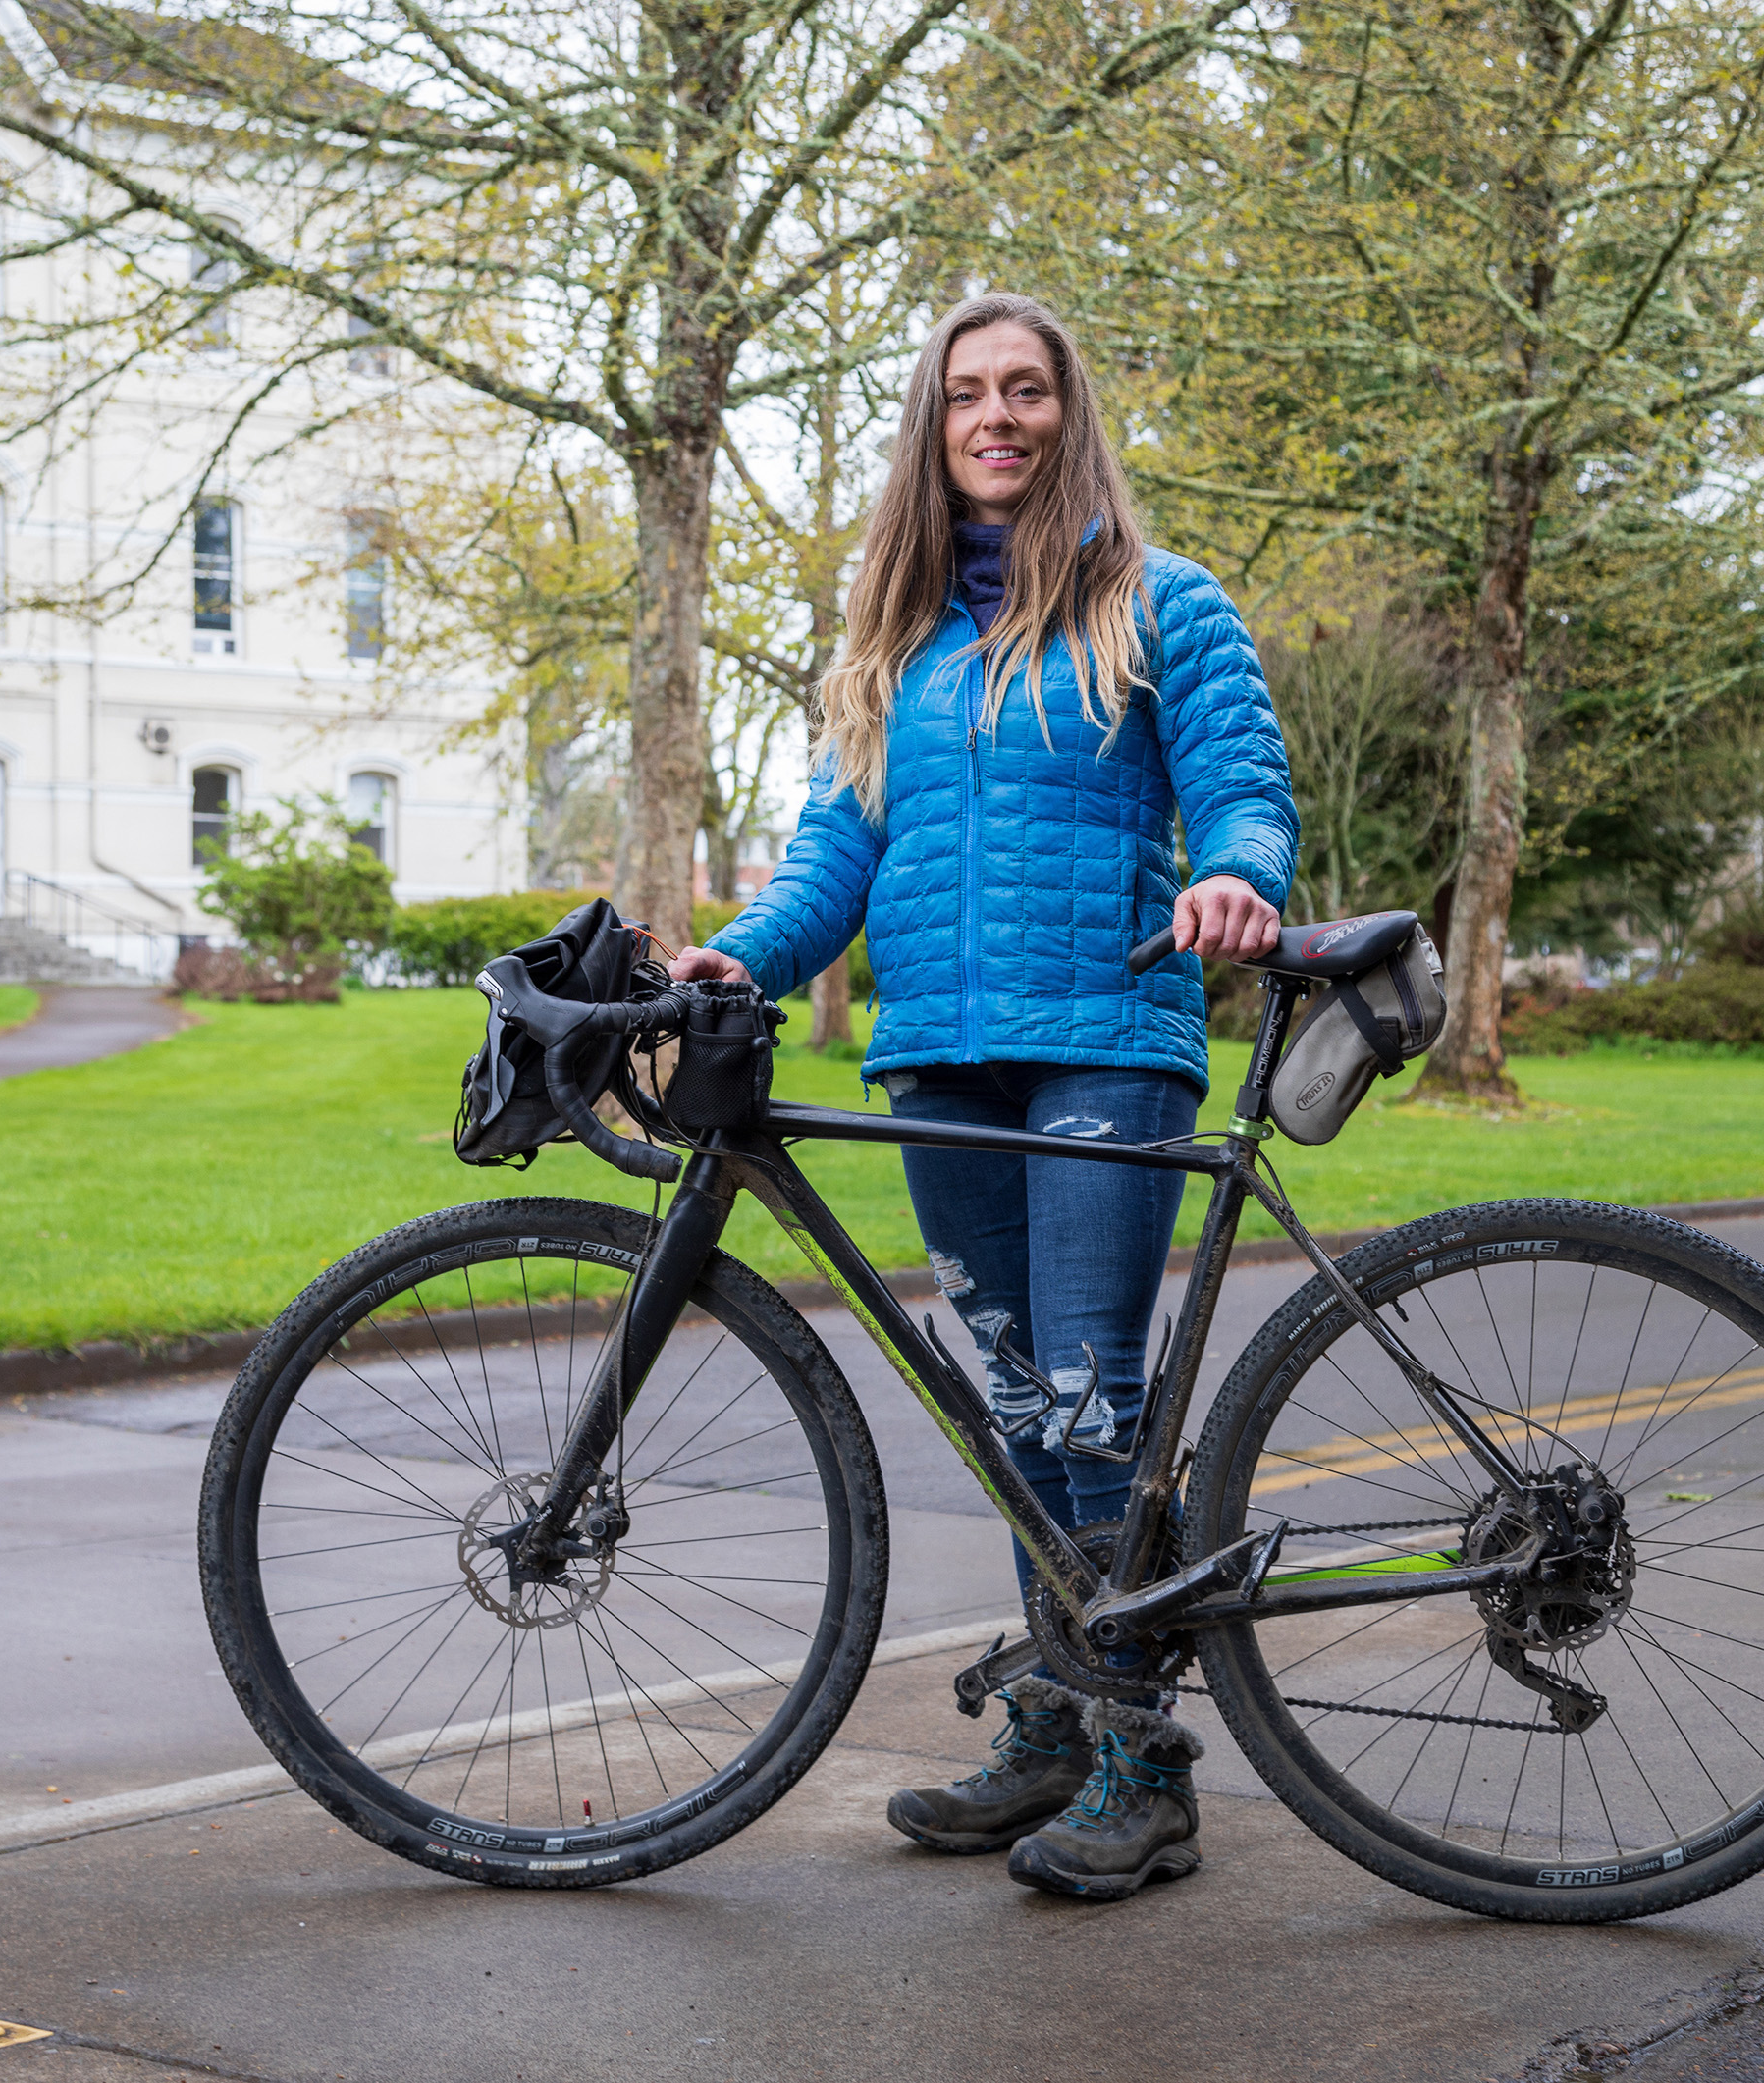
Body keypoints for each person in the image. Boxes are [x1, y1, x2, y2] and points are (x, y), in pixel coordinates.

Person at [668, 292, 1298, 1902]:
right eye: (968, 394)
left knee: (1088, 1399)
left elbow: (1239, 783)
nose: (998, 416)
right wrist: (740, 957)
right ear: (933, 423)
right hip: (941, 1056)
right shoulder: (893, 640)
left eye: (1026, 390)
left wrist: (1235, 874)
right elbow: (833, 856)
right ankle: (1055, 1715)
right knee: (1013, 1405)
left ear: (1065, 412)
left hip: (1105, 1036)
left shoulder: (1163, 604)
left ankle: (1145, 1764)